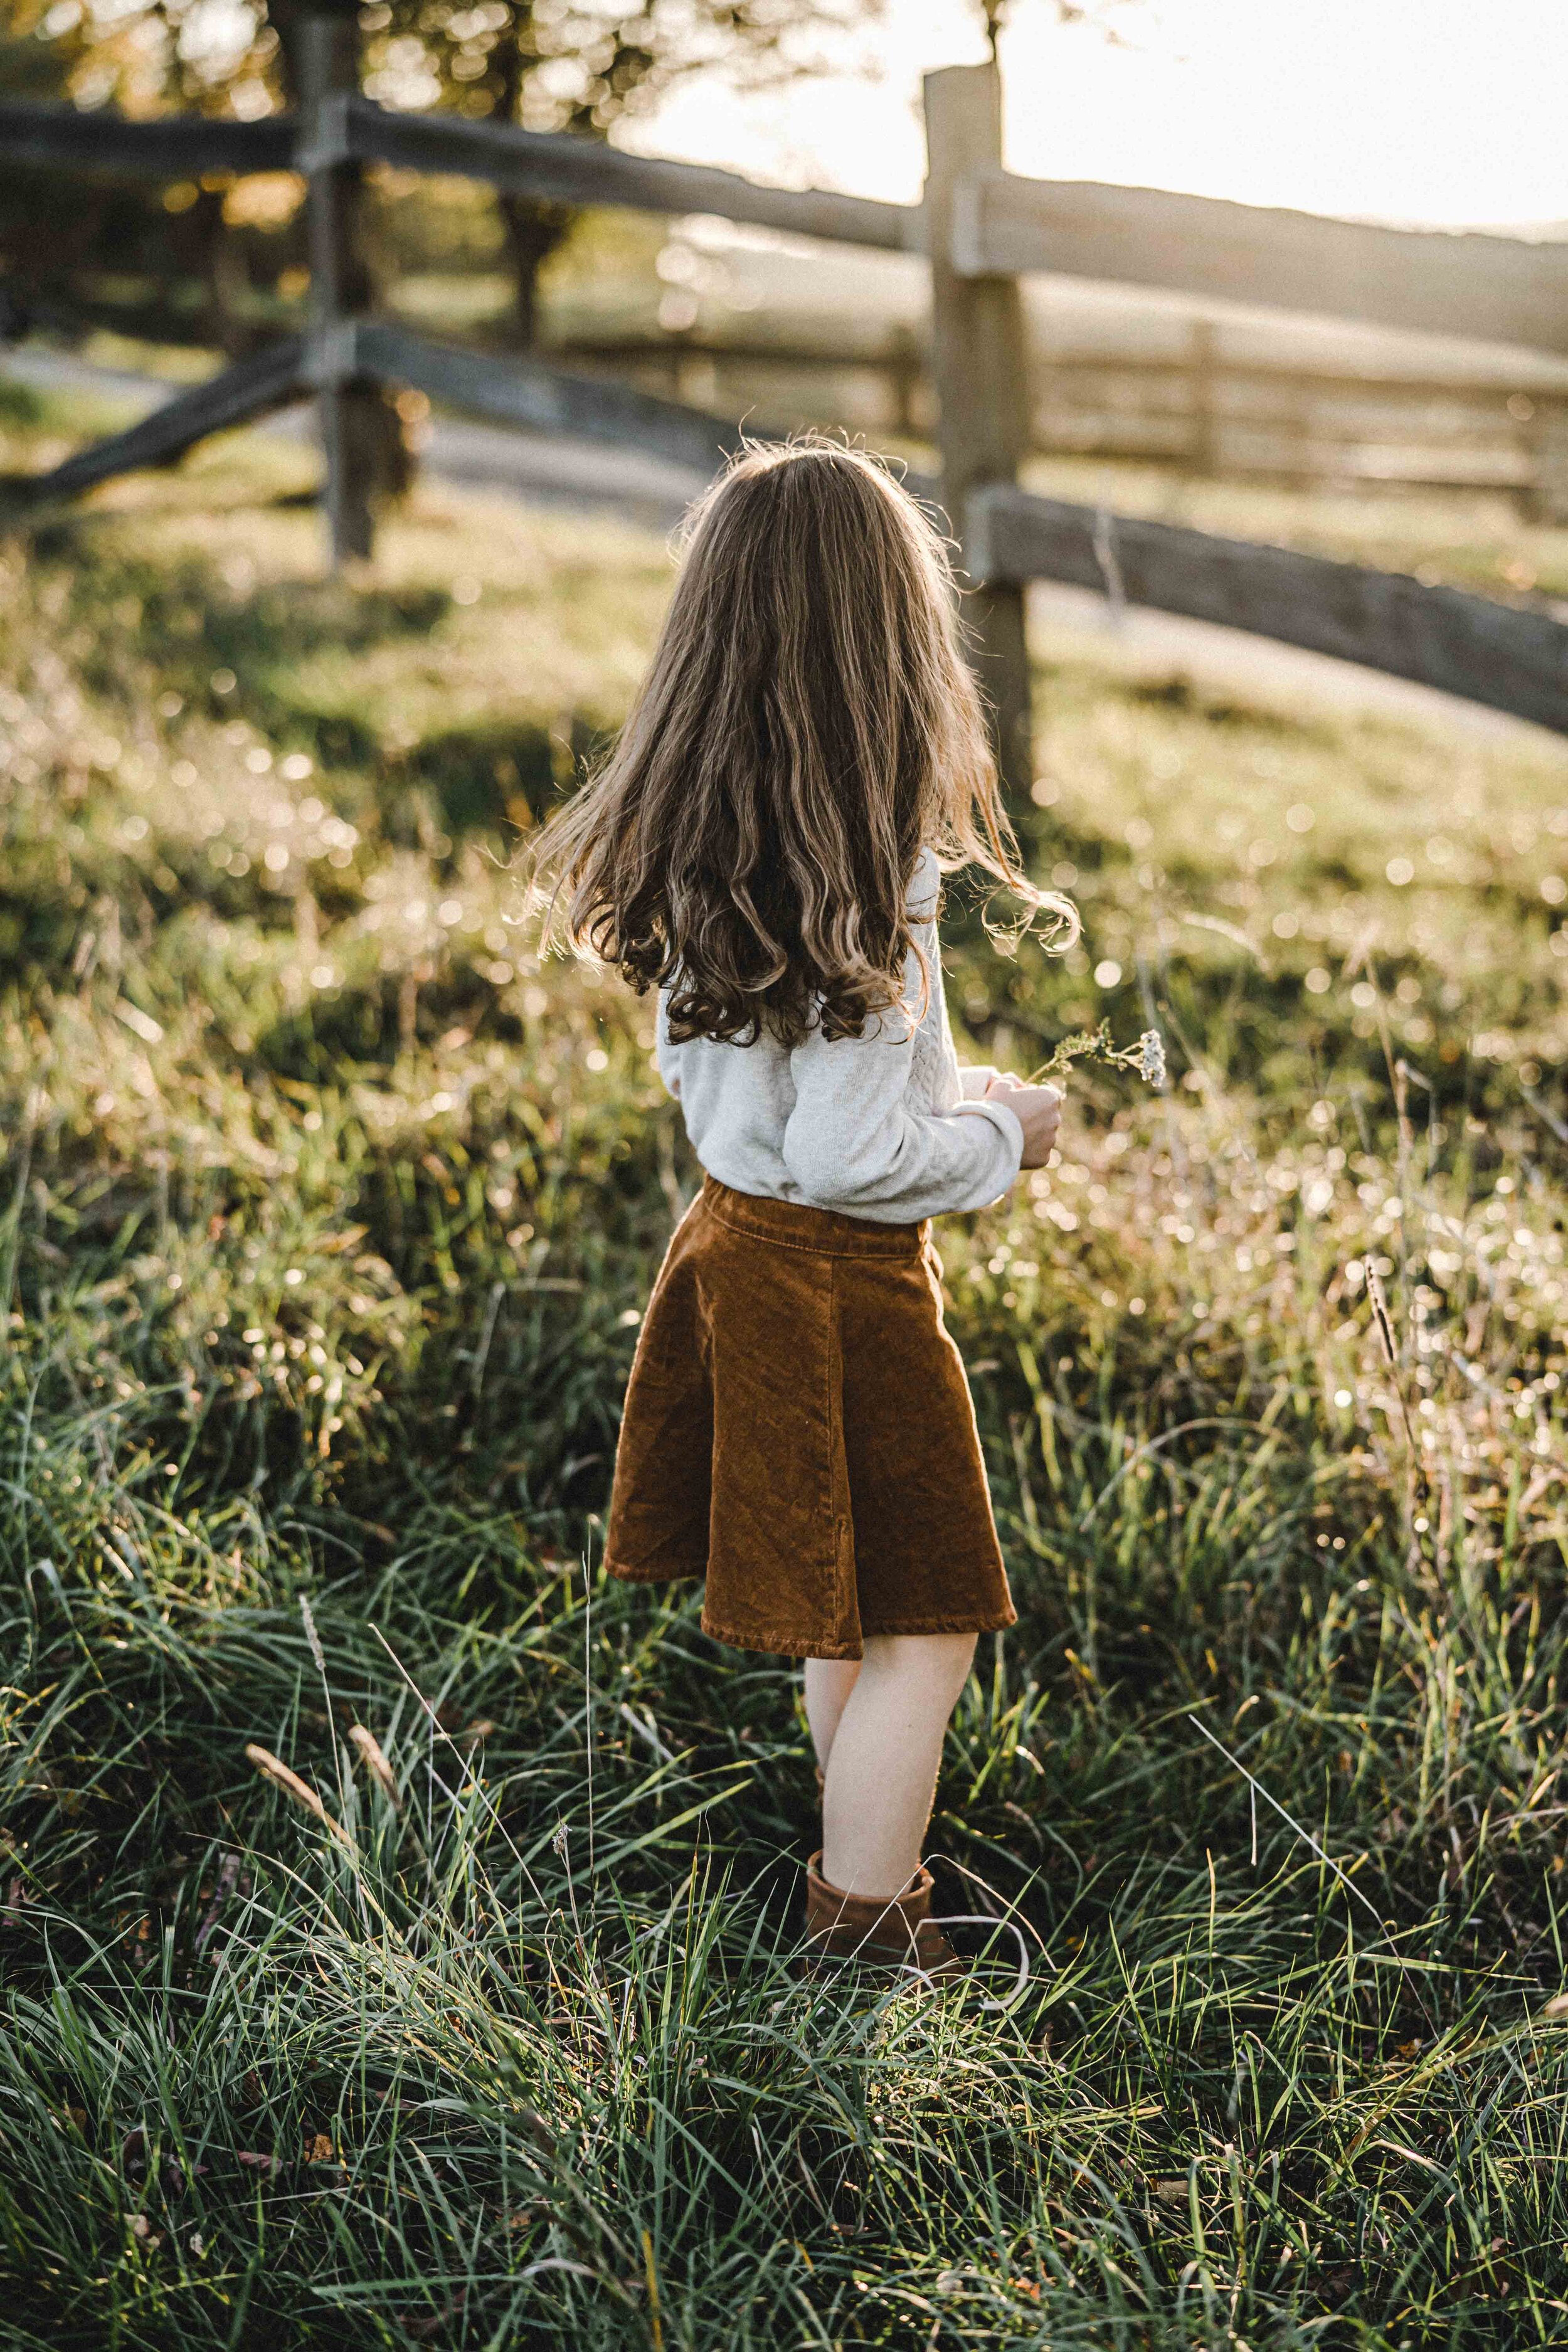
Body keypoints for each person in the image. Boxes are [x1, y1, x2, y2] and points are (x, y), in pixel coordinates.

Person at [527, 437, 1070, 1983]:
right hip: (840, 1275)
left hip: (731, 1252)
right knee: (930, 1624)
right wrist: (1000, 1142)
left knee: (843, 1605)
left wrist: (942, 1105)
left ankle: (854, 1847)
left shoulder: (702, 839)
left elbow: (761, 1113)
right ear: (890, 643)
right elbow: (847, 1159)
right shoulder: (872, 867)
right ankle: (864, 1927)